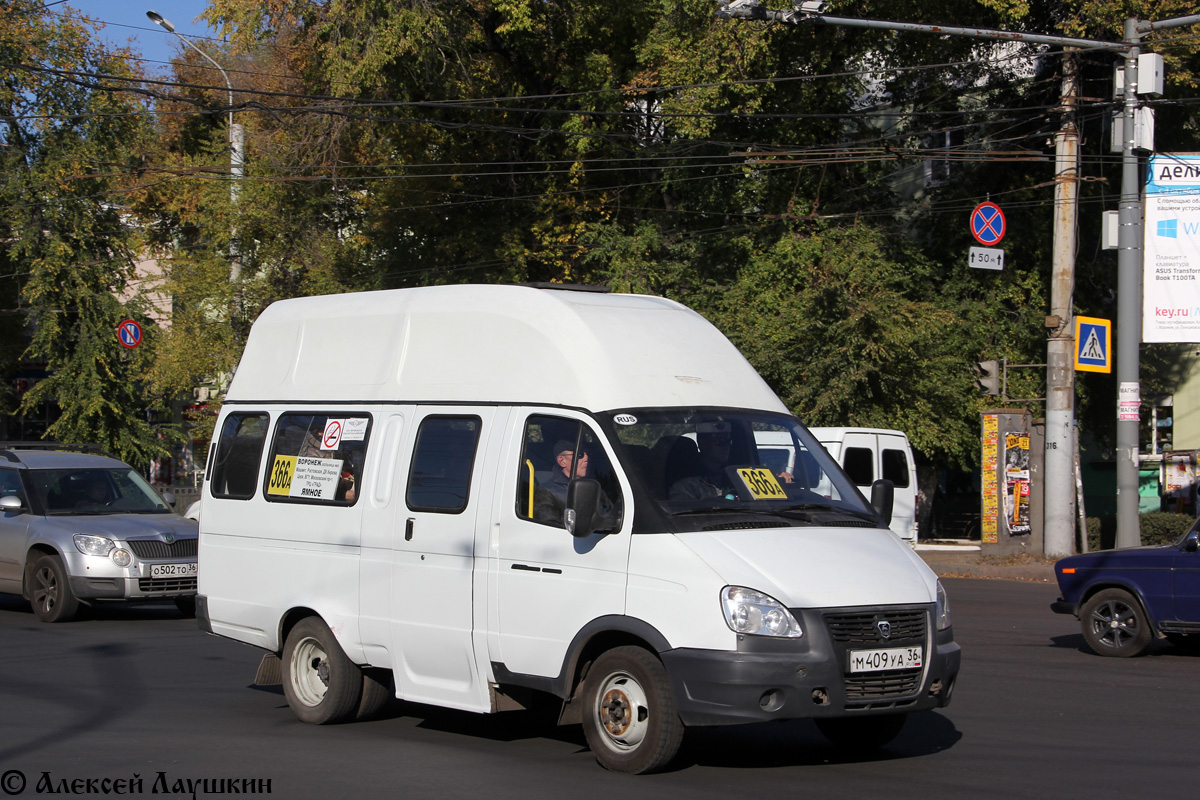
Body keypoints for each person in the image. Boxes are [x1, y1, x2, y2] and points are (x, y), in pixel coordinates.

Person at [668, 424, 736, 501]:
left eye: (728, 442)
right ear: (703, 444)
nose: (726, 446)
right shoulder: (686, 486)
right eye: (720, 442)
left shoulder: (737, 479)